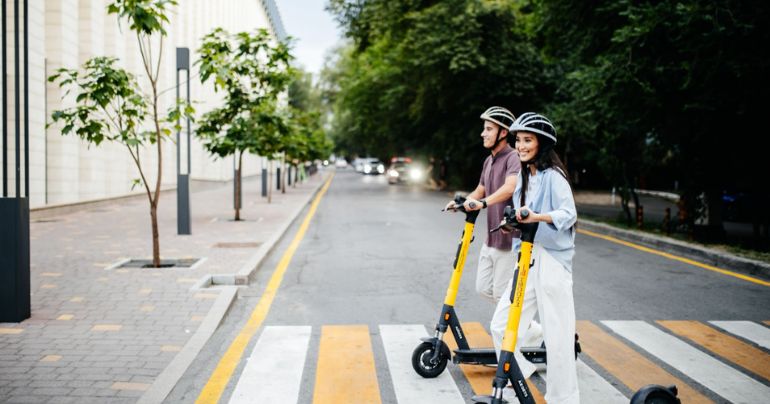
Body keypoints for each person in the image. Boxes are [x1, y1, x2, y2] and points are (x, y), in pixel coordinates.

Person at [490, 112, 579, 403]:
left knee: (558, 338)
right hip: (526, 258)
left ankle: (563, 400)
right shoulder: (524, 180)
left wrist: (536, 217)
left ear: (542, 144)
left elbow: (569, 214)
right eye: (518, 140)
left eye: (527, 140)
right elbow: (521, 216)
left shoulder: (554, 177)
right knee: (501, 325)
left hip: (552, 260)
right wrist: (512, 223)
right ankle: (521, 381)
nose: (521, 146)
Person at [445, 106, 520, 303]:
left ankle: (520, 331)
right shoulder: (489, 160)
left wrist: (483, 203)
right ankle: (531, 331)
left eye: (488, 129)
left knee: (501, 296)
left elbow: (510, 187)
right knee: (483, 288)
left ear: (503, 133)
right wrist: (461, 203)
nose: (483, 133)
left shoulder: (513, 158)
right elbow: (480, 190)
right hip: (491, 240)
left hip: (509, 240)